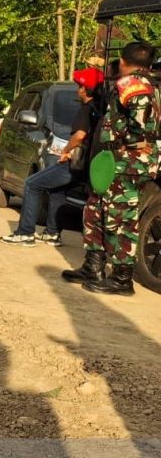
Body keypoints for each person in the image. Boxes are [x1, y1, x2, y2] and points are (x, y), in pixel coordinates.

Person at [76, 42, 159, 296]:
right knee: (95, 209)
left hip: (127, 161)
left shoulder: (134, 83)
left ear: (123, 61)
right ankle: (93, 266)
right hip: (115, 159)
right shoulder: (143, 81)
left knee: (120, 219)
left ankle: (122, 278)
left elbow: (141, 118)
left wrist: (136, 140)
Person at [0, 69, 102, 246]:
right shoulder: (99, 109)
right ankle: (52, 233)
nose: (78, 90)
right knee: (57, 189)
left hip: (75, 163)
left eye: (79, 86)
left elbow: (79, 135)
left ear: (85, 90)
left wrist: (66, 150)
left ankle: (25, 233)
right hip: (88, 165)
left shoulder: (86, 109)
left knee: (32, 183)